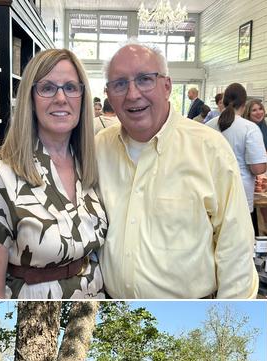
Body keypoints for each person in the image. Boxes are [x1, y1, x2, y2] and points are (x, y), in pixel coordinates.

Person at [95, 44, 258, 298]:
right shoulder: (99, 147)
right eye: (119, 84)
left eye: (145, 80)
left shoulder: (208, 148)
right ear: (108, 93)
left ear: (167, 86)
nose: (132, 94)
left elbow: (236, 248)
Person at [0, 48, 107, 298]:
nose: (61, 98)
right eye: (48, 88)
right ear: (30, 97)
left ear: (83, 96)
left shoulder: (90, 164)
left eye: (71, 87)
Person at [207, 83, 267, 236]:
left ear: (224, 101)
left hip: (211, 189)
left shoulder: (208, 125)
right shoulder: (249, 128)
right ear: (244, 103)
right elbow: (258, 168)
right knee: (238, 242)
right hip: (239, 192)